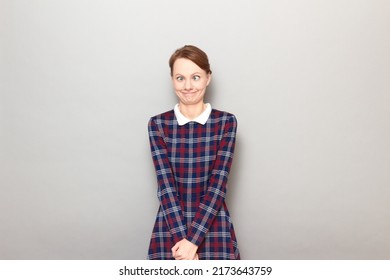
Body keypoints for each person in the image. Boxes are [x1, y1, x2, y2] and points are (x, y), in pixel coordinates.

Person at [147, 45, 240, 260]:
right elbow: (165, 187)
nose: (188, 86)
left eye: (195, 77)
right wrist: (184, 244)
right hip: (171, 229)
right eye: (180, 78)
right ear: (172, 79)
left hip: (213, 227)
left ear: (208, 78)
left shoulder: (225, 123)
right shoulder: (158, 124)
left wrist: (193, 241)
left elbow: (218, 186)